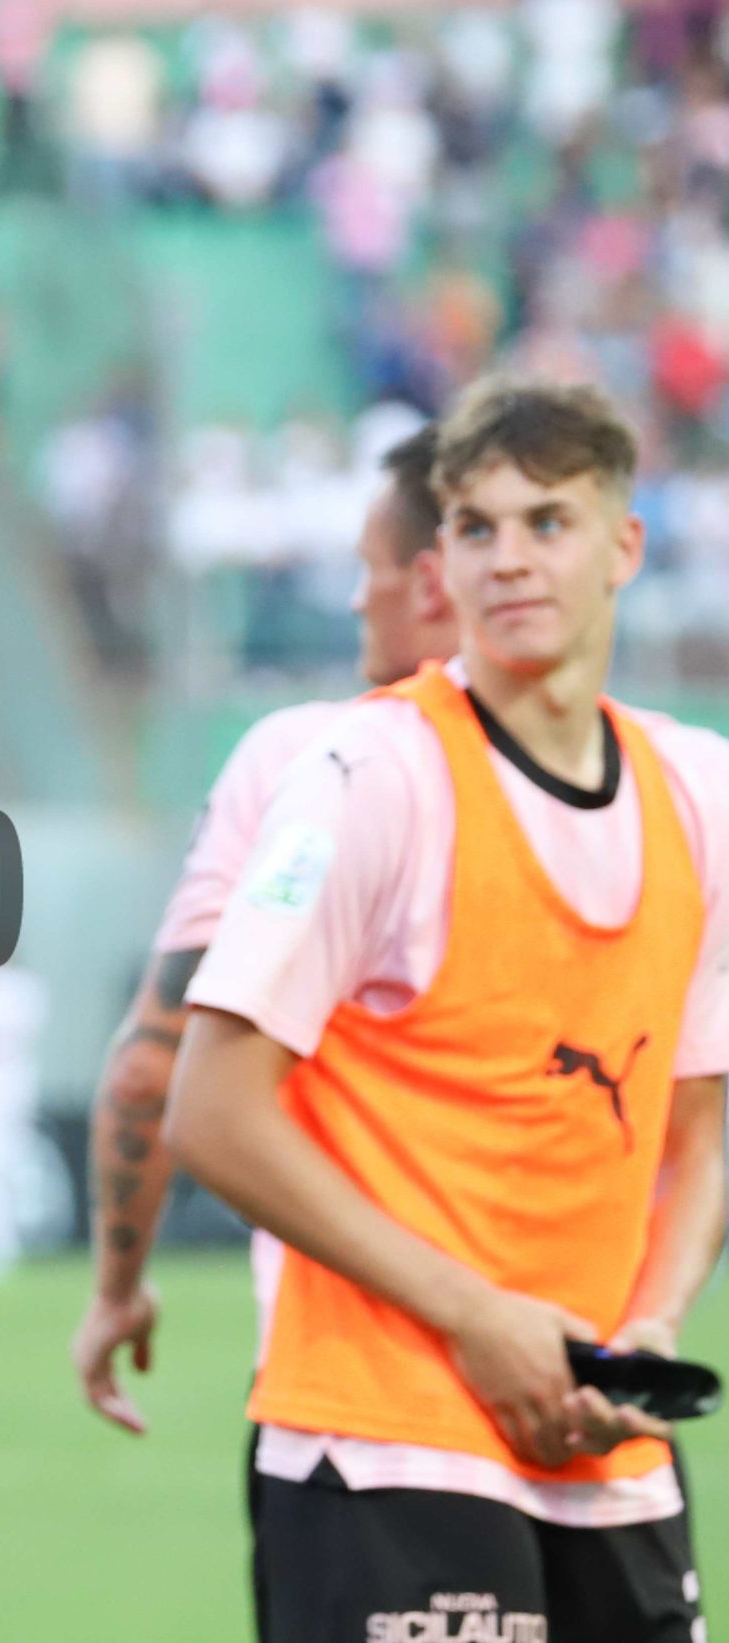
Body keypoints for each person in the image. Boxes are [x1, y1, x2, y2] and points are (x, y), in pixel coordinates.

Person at [169, 379, 729, 1641]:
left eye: (548, 522)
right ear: (441, 560)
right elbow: (209, 1112)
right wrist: (478, 1320)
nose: (510, 560)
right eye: (476, 529)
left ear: (624, 546)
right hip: (388, 1438)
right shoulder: (370, 776)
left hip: (607, 1446)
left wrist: (649, 1325)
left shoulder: (699, 793)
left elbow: (702, 1119)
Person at [71, 425, 460, 1433]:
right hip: (586, 1367)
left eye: (365, 568)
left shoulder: (305, 758)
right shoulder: (655, 782)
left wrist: (117, 1286)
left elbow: (152, 1070)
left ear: (427, 580)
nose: (348, 598)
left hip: (357, 1391)